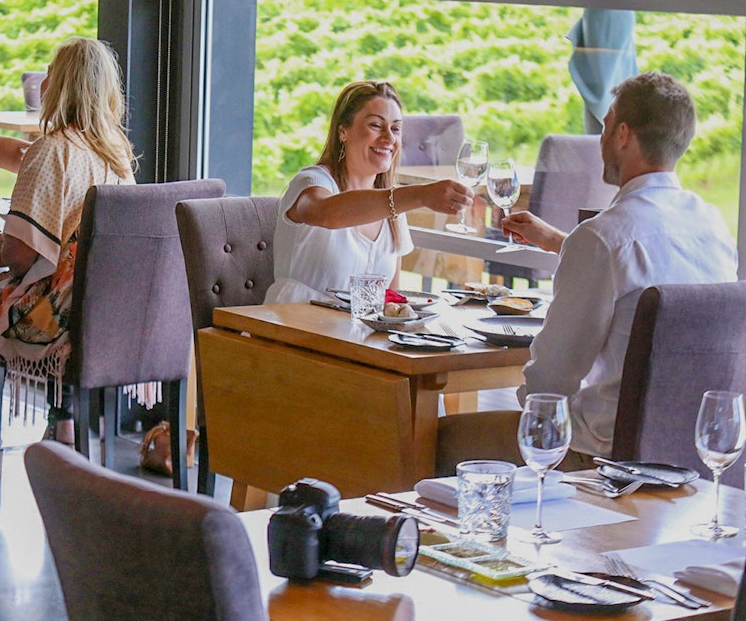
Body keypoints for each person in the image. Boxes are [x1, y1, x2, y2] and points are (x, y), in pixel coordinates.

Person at [436, 72, 738, 473]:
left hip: (600, 456)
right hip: (691, 453)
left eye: (606, 125)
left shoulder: (601, 238)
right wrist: (562, 243)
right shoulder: (712, 226)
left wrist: (534, 407)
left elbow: (551, 380)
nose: (600, 138)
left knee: (429, 439)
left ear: (624, 135)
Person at [0, 36, 137, 472]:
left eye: (51, 72)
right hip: (110, 307)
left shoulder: (54, 149)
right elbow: (21, 155)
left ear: (61, 85)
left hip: (60, 315)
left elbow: (16, 254)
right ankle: (62, 421)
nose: (43, 79)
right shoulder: (116, 151)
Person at [264, 80, 474, 303]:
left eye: (396, 129)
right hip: (291, 330)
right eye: (376, 125)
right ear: (343, 131)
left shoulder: (392, 206)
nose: (389, 138)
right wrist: (420, 195)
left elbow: (391, 299)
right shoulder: (311, 182)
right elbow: (325, 214)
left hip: (353, 336)